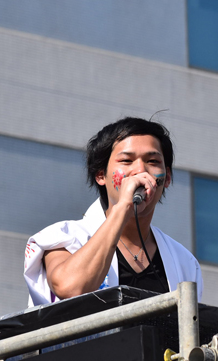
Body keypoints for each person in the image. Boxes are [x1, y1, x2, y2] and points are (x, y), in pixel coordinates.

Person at [25, 117, 203, 306]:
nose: (140, 170)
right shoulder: (62, 238)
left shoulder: (184, 261)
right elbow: (70, 288)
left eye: (152, 161)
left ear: (166, 178)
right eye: (126, 160)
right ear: (101, 175)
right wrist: (124, 207)